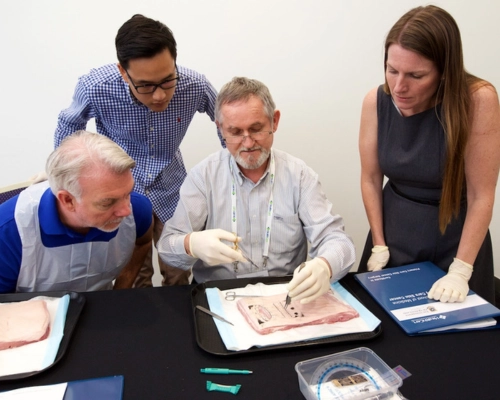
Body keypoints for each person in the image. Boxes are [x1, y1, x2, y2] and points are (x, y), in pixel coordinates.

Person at [54, 14, 223, 287]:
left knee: (178, 269)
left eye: (168, 81)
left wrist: (229, 170)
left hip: (172, 189)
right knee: (133, 273)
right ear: (123, 71)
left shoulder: (194, 85)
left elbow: (227, 120)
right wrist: (67, 179)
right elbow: (69, 124)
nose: (159, 95)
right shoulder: (96, 87)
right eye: (145, 85)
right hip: (122, 194)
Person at [158, 77, 355, 304]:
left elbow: (339, 241)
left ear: (274, 121)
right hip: (219, 297)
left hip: (286, 296)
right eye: (235, 131)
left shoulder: (299, 175)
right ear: (220, 129)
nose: (248, 142)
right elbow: (166, 245)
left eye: (256, 129)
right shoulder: (204, 176)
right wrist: (190, 244)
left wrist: (325, 265)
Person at [358, 5, 500, 304]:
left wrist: (461, 271)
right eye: (392, 70)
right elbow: (370, 178)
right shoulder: (376, 101)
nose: (399, 87)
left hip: (457, 242)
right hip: (393, 236)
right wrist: (379, 243)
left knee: (458, 345)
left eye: (416, 75)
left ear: (445, 72)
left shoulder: (478, 100)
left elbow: (481, 195)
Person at [0, 131, 153, 293]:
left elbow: (143, 242)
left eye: (128, 193)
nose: (126, 210)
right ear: (67, 200)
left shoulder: (137, 208)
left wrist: (120, 291)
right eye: (107, 202)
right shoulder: (9, 231)